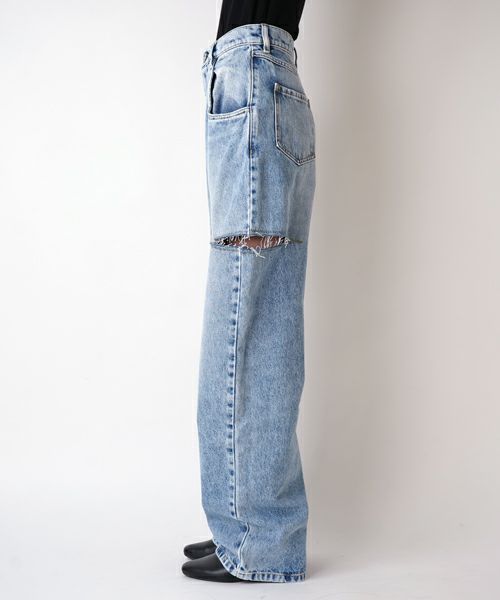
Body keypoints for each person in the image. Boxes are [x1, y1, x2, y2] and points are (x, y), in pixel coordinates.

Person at [181, 0, 315, 583]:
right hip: (265, 79)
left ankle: (256, 540)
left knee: (245, 321)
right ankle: (253, 526)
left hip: (253, 76)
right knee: (264, 316)